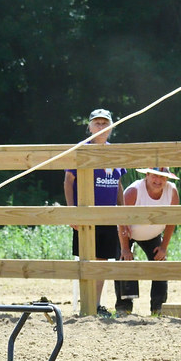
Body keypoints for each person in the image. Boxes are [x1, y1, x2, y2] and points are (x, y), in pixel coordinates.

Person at [63, 108, 129, 318]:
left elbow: (118, 184)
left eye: (105, 123)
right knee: (86, 259)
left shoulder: (115, 152)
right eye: (97, 123)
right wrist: (72, 211)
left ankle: (97, 305)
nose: (101, 127)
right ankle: (86, 305)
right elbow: (68, 180)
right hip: (85, 215)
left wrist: (123, 213)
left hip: (108, 217)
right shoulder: (81, 149)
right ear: (89, 127)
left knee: (102, 262)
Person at [117, 167, 180, 316]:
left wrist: (164, 247)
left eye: (163, 177)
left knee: (160, 263)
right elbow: (121, 219)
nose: (158, 181)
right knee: (124, 262)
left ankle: (158, 307)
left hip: (153, 233)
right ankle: (124, 308)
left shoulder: (172, 192)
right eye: (155, 176)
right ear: (147, 175)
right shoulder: (134, 191)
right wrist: (125, 248)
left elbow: (172, 221)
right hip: (128, 231)